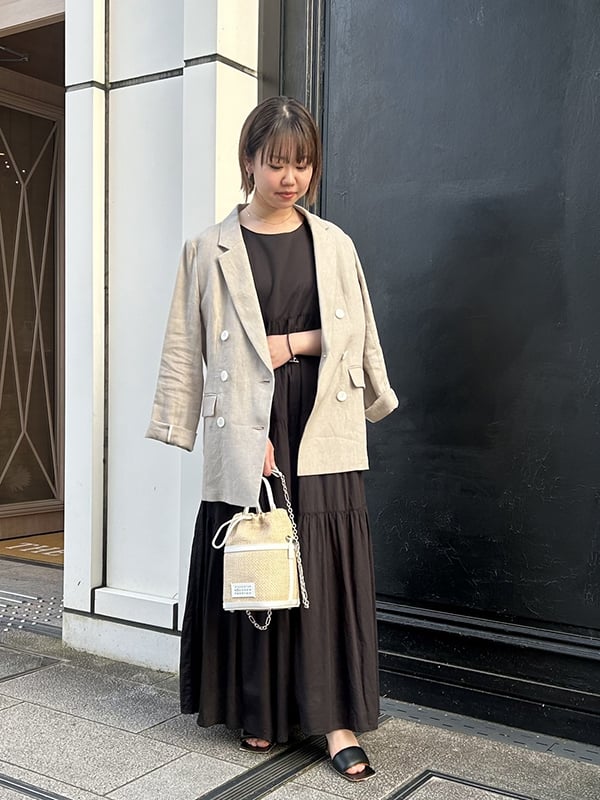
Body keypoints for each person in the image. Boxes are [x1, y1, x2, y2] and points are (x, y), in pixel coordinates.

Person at [146, 96, 398, 782]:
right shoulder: (208, 248)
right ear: (249, 161)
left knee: (322, 563)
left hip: (320, 415)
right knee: (258, 560)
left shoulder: (335, 242)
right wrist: (192, 423)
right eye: (277, 162)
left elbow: (357, 329)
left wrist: (294, 343)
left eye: (303, 163)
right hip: (246, 421)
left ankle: (335, 719)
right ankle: (258, 709)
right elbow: (185, 342)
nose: (291, 177)